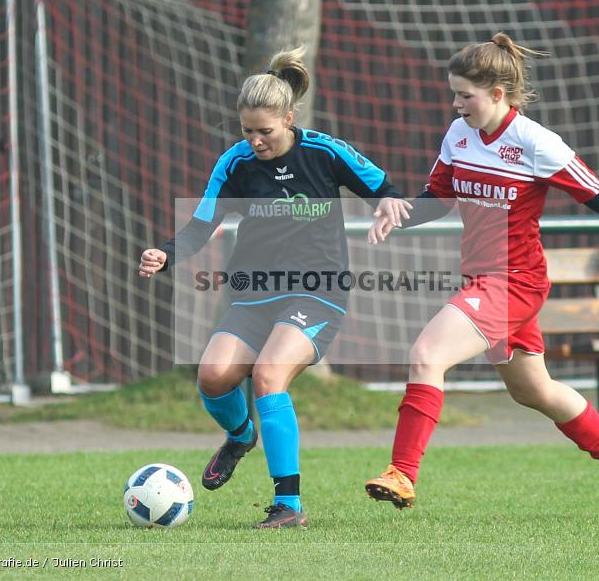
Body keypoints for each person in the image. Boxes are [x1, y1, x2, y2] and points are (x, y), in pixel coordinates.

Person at [363, 33, 599, 513]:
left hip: (515, 281)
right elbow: (440, 199)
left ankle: (402, 474)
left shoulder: (536, 143)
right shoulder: (458, 134)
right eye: (453, 93)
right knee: (533, 389)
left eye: (464, 95)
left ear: (497, 94)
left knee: (427, 354)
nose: (456, 103)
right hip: (482, 278)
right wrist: (399, 211)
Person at [138, 47, 410, 529]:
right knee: (214, 376)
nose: (256, 141)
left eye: (265, 131)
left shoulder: (325, 152)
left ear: (288, 118)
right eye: (247, 131)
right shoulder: (235, 162)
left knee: (267, 375)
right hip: (255, 293)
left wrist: (388, 204)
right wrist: (166, 254)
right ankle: (241, 436)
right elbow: (202, 225)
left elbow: (382, 185)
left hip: (317, 291)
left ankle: (289, 505)